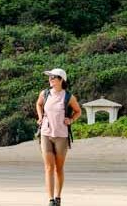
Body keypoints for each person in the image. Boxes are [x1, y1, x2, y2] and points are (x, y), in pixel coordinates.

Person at [36, 66, 82, 206]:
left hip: (61, 135)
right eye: (49, 77)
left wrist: (71, 120)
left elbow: (78, 111)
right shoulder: (44, 93)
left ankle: (58, 197)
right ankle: (50, 200)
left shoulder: (68, 96)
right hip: (45, 134)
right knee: (49, 167)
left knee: (58, 168)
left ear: (61, 80)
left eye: (53, 77)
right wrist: (40, 117)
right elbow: (38, 104)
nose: (50, 79)